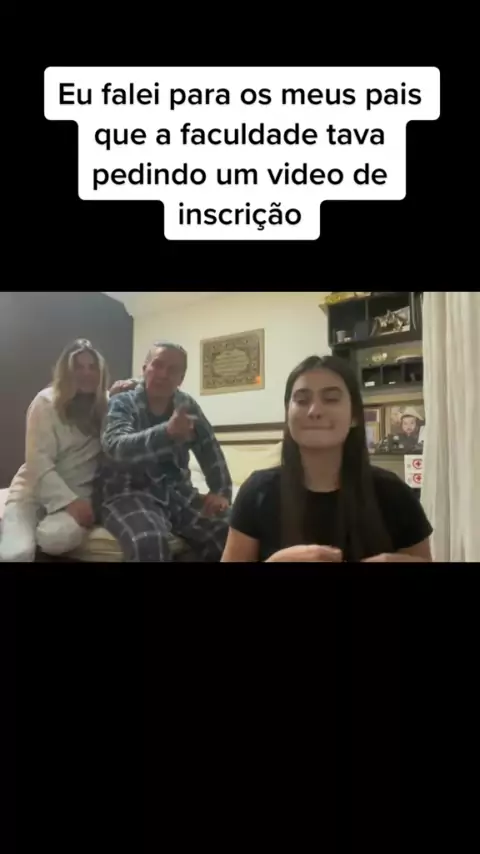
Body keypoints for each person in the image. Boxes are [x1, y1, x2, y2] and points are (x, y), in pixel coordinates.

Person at [221, 355, 433, 563]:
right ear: (287, 414)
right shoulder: (257, 493)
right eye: (301, 400)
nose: (315, 411)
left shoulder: (394, 494)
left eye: (331, 399)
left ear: (354, 416)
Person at [96, 340, 232, 562]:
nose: (163, 374)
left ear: (181, 378)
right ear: (145, 369)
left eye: (173, 370)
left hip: (177, 492)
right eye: (157, 365)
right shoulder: (122, 402)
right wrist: (166, 433)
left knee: (232, 528)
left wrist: (221, 490)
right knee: (149, 541)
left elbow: (209, 448)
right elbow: (115, 446)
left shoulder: (186, 405)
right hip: (129, 493)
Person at [0, 339, 109, 562]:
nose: (86, 373)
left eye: (92, 367)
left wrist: (133, 384)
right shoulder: (45, 402)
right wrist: (69, 502)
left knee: (56, 538)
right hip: (32, 491)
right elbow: (37, 461)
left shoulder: (107, 404)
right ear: (65, 371)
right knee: (16, 553)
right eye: (78, 367)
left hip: (78, 492)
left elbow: (142, 394)